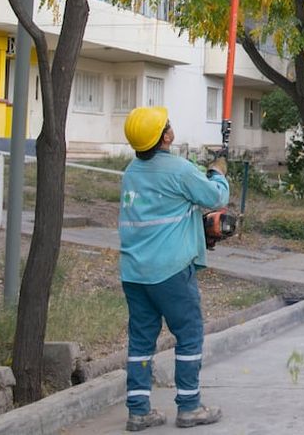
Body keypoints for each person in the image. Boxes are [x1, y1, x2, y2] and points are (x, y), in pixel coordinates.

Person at [119, 106, 229, 431]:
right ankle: (190, 407)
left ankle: (138, 411)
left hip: (134, 272)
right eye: (168, 126)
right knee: (189, 334)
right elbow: (215, 195)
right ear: (167, 136)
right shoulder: (178, 170)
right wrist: (218, 171)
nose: (171, 128)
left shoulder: (130, 172)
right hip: (170, 272)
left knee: (140, 341)